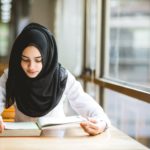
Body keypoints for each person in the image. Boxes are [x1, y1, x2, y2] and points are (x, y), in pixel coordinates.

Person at [0, 23, 110, 135]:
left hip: (55, 141)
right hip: (21, 140)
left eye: (38, 60)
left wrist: (101, 123)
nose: (31, 67)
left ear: (48, 57)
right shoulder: (13, 74)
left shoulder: (61, 77)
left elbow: (87, 105)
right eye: (25, 59)